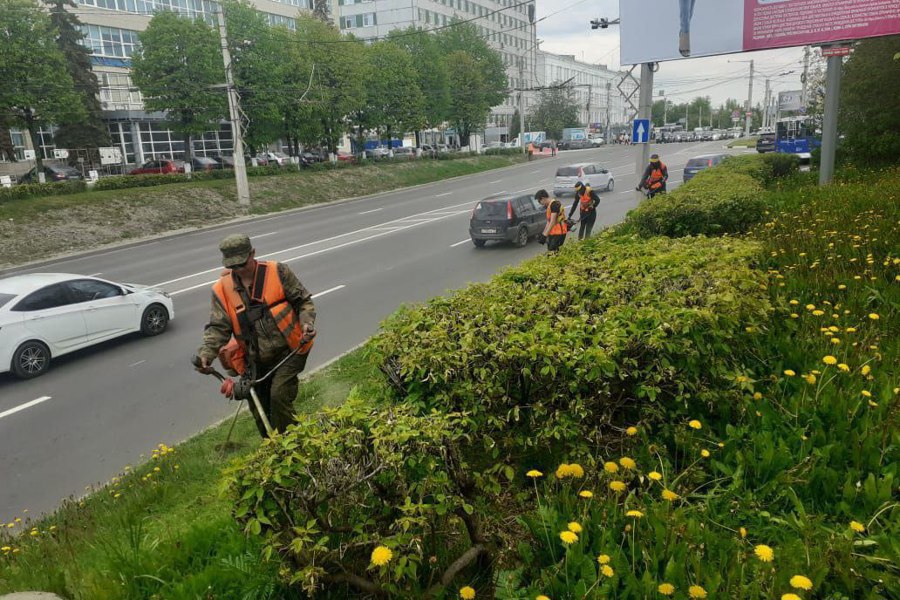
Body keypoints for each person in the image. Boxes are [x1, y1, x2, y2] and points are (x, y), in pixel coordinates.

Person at [195, 234, 316, 437]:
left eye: (242, 264)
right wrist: (207, 353)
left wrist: (307, 323)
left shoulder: (278, 272)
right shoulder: (221, 290)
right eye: (233, 267)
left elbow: (304, 302)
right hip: (255, 361)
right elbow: (218, 328)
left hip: (291, 350)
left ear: (253, 253)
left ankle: (296, 447)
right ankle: (273, 451)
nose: (239, 270)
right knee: (260, 408)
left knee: (278, 396)